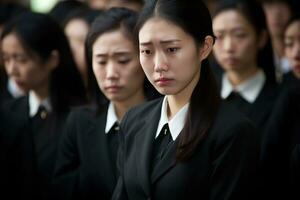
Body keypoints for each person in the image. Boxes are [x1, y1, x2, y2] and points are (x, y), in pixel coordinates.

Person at [112, 0, 260, 199]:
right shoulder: (134, 120)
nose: (158, 65)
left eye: (171, 49)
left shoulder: (232, 132)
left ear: (205, 47)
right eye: (147, 51)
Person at [53, 8, 160, 200]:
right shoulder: (79, 123)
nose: (111, 73)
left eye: (123, 60)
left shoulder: (167, 120)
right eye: (101, 61)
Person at [0, 12, 86, 199]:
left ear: (52, 59)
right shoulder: (7, 114)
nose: (11, 70)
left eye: (22, 59)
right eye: (6, 59)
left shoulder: (80, 116)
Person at [212, 0, 278, 135]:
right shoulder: (201, 94)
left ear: (261, 38)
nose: (228, 47)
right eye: (219, 37)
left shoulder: (284, 100)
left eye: (239, 35)